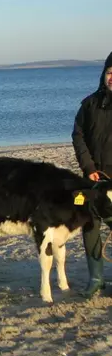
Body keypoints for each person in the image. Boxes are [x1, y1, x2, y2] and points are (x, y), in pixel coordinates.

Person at [72, 51, 112, 297]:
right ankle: (96, 279)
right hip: (94, 178)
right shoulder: (89, 104)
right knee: (90, 226)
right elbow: (78, 136)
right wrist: (88, 168)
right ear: (104, 74)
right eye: (110, 73)